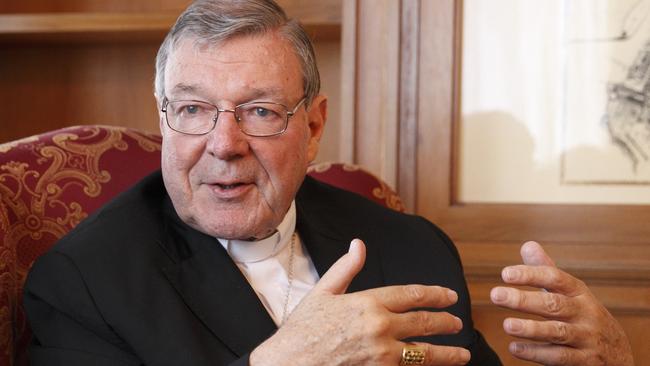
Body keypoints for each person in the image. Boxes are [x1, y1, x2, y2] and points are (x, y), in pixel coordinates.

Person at [23, 1, 634, 365]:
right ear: (164, 118)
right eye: (192, 109)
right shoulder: (82, 284)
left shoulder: (410, 244)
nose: (224, 142)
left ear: (313, 127)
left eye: (260, 111)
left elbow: (434, 359)